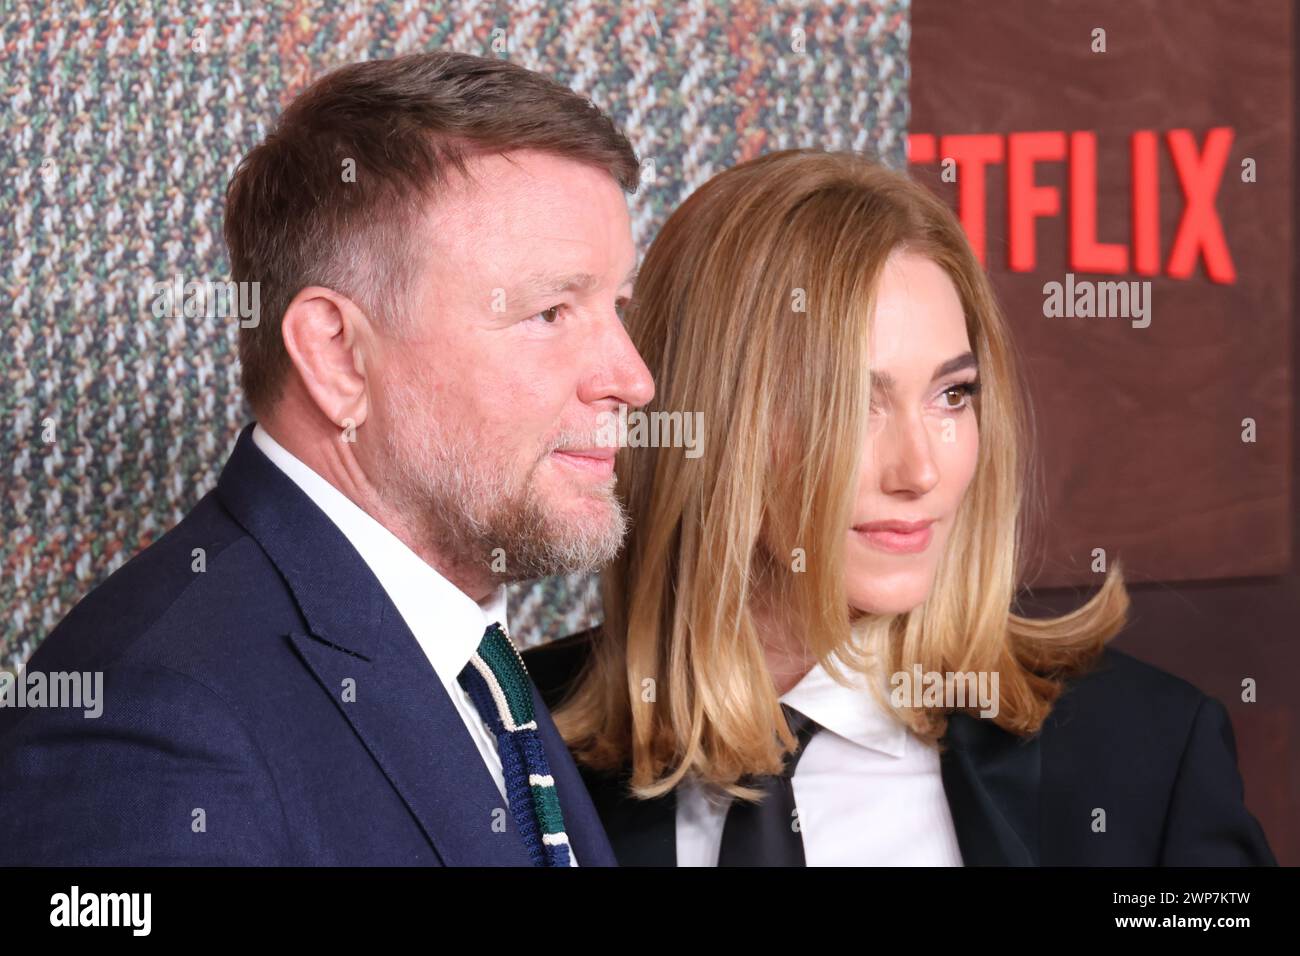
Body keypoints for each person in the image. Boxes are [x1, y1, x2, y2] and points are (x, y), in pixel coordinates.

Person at [524, 148, 1277, 866]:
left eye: (953, 395)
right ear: (708, 418)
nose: (921, 470)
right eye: (854, 403)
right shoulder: (511, 739)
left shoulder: (1142, 749)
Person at [0, 51, 654, 866]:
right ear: (338, 354)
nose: (632, 379)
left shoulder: (478, 667)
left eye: (617, 308)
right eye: (550, 311)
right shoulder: (150, 724)